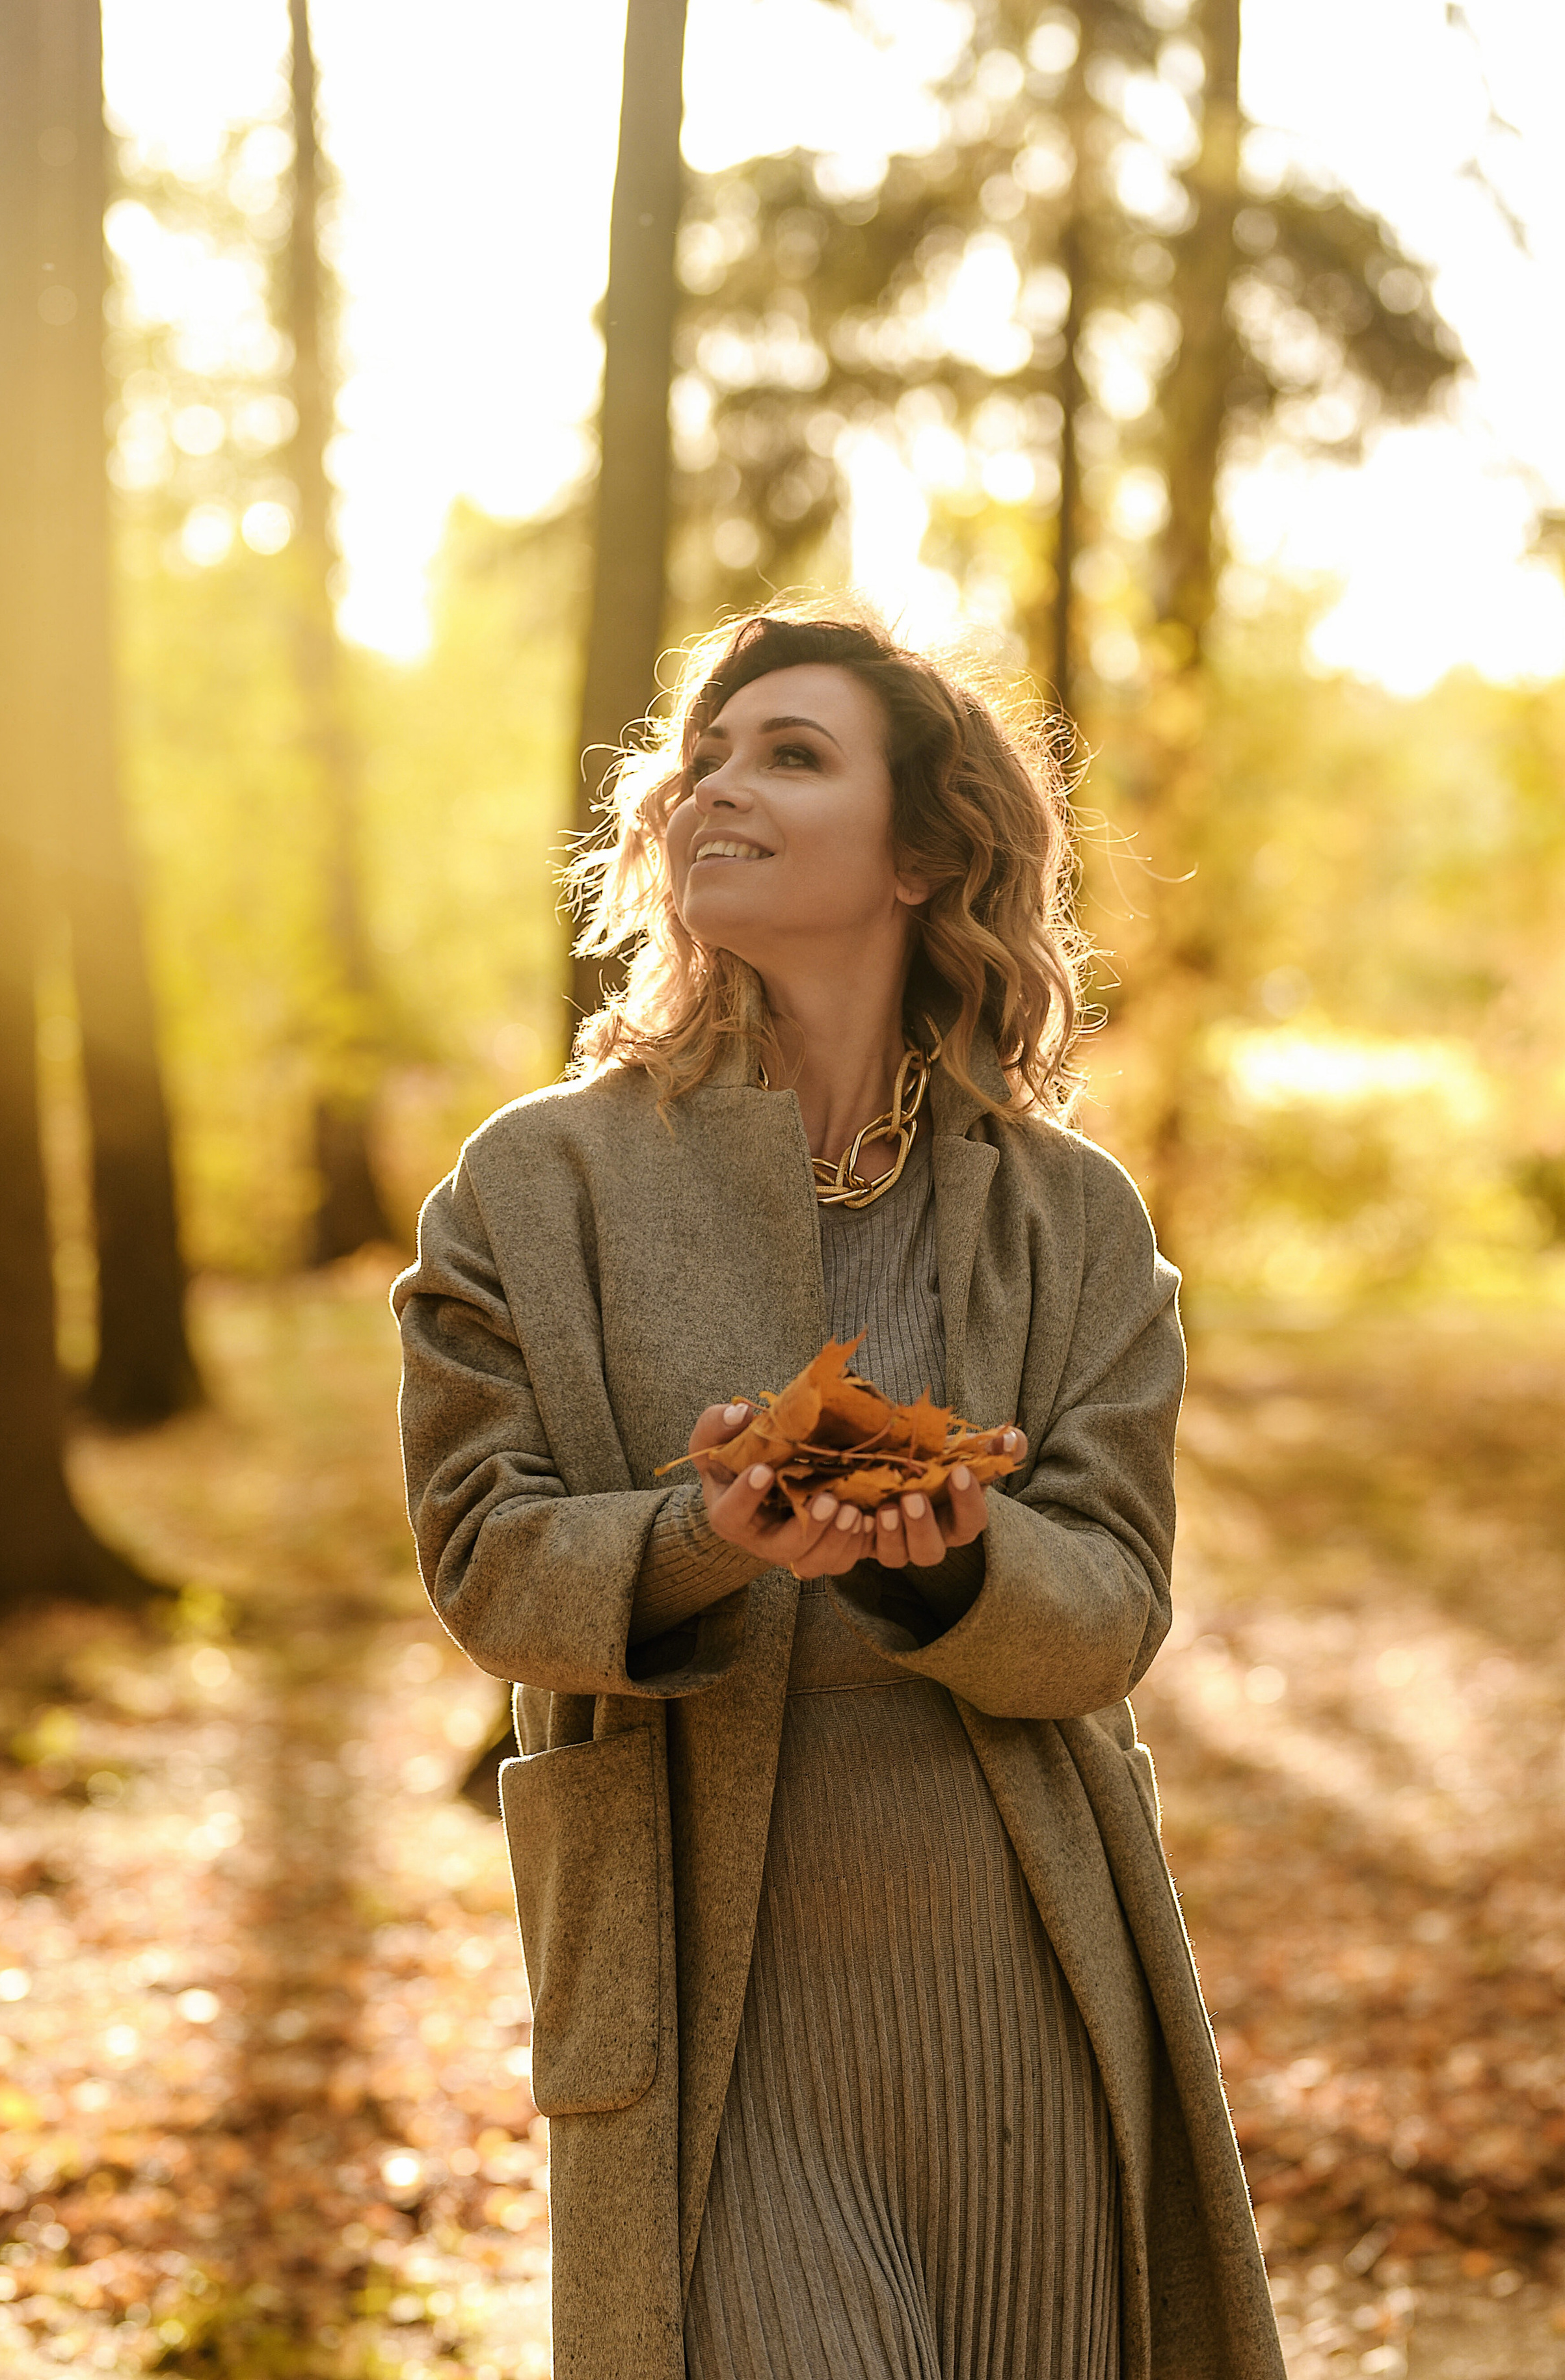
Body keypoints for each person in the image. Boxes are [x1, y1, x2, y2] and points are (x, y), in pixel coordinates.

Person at [393, 608, 1285, 2380]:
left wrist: (953, 1568)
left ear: (928, 852)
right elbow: (484, 1556)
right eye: (706, 755)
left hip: (1022, 1975)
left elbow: (1111, 1605)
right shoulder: (535, 1183)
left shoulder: (1076, 1219)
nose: (715, 782)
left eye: (791, 754)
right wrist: (699, 1535)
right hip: (708, 1999)